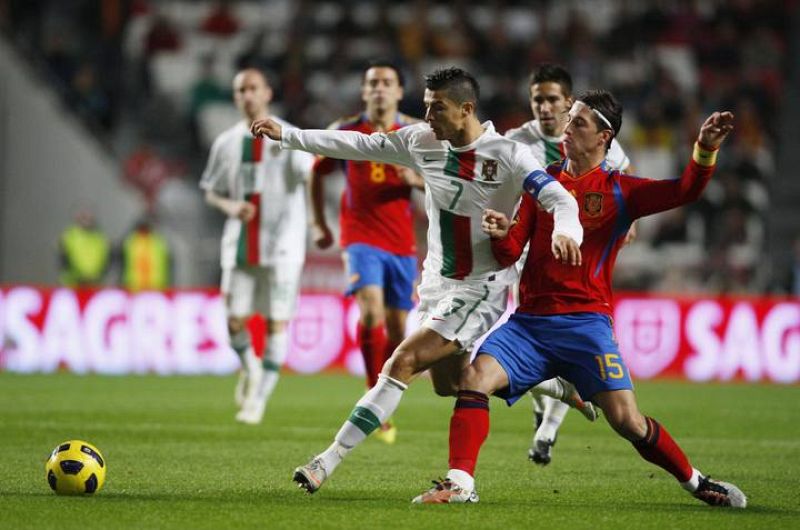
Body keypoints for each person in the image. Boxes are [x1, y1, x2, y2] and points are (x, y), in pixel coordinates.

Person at [251, 66, 586, 494]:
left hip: (481, 287)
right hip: (437, 284)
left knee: (402, 362)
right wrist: (289, 134)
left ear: (466, 109)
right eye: (426, 107)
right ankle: (546, 381)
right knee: (452, 384)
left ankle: (326, 461)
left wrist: (565, 230)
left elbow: (558, 196)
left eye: (437, 108)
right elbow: (357, 144)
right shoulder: (420, 141)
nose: (427, 116)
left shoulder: (508, 154)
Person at [413, 91, 746, 508]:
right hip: (530, 324)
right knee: (472, 381)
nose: (566, 129)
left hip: (586, 326)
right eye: (569, 120)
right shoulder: (542, 182)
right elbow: (512, 251)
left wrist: (705, 149)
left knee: (627, 421)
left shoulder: (622, 191)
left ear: (604, 137)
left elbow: (684, 190)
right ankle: (459, 483)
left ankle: (696, 482)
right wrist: (501, 232)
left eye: (578, 123)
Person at [505, 64, 633, 466]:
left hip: (576, 252)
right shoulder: (515, 141)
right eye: (537, 99)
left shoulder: (594, 141)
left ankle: (548, 428)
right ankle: (556, 397)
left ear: (567, 103)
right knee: (528, 341)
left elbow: (622, 185)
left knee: (558, 335)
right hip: (524, 248)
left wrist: (627, 222)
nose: (544, 107)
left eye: (553, 100)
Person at [310, 60, 422, 445]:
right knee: (370, 309)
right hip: (359, 238)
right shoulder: (345, 131)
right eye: (372, 82)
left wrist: (417, 180)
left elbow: (442, 181)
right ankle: (372, 396)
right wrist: (319, 224)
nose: (378, 88)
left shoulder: (415, 133)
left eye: (386, 82)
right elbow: (316, 171)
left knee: (395, 327)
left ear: (399, 91)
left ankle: (383, 394)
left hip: (402, 242)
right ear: (363, 91)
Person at [200, 68, 314, 424]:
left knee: (277, 323)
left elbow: (309, 174)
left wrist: (317, 222)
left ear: (267, 93)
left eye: (253, 88)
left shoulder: (287, 135)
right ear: (235, 97)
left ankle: (258, 401)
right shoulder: (226, 142)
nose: (247, 95)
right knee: (234, 320)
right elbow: (210, 190)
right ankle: (250, 368)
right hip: (241, 244)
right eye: (240, 90)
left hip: (284, 246)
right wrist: (230, 206)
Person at [59, 209, 110, 289]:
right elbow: (63, 261)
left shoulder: (100, 238)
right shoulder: (69, 236)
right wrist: (77, 276)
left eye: (88, 214)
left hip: (94, 286)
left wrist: (97, 277)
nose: (86, 218)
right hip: (73, 286)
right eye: (83, 215)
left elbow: (106, 261)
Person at [119, 216, 171, 292]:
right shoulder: (130, 242)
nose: (144, 230)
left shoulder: (158, 242)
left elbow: (166, 263)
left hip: (155, 286)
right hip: (135, 286)